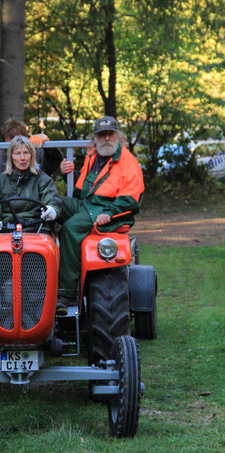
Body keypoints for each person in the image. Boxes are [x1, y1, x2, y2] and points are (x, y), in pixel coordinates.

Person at [57, 115, 145, 309]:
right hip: (87, 204)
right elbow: (81, 191)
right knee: (52, 207)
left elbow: (131, 200)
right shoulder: (92, 156)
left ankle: (68, 293)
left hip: (107, 209)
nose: (106, 138)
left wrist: (110, 213)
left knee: (70, 229)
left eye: (110, 134)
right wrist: (67, 174)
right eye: (102, 135)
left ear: (117, 136)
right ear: (95, 138)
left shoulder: (128, 162)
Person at [0, 136, 61, 234]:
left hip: (37, 228)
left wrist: (52, 210)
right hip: (6, 229)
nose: (22, 158)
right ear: (11, 157)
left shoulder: (42, 179)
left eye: (26, 153)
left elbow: (53, 202)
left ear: (32, 156)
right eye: (17, 153)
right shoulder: (0, 180)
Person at [0, 117, 62, 191]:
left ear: (27, 138)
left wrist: (48, 145)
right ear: (4, 142)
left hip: (37, 211)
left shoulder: (39, 153)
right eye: (11, 145)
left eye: (20, 141)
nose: (21, 157)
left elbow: (56, 161)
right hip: (6, 212)